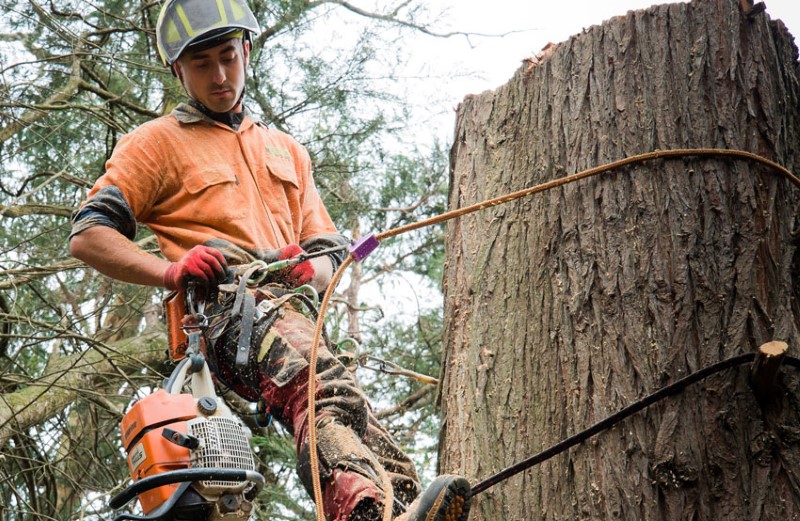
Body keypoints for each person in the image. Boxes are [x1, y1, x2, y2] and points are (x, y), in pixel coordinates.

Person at [68, 1, 471, 520]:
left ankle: (403, 503)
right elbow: (88, 234)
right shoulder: (155, 145)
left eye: (228, 57)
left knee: (354, 414)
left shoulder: (285, 150)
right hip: (227, 308)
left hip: (296, 310)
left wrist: (311, 270)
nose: (219, 76)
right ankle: (367, 514)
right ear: (178, 70)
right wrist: (170, 270)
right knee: (319, 391)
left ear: (246, 50)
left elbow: (329, 250)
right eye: (201, 64)